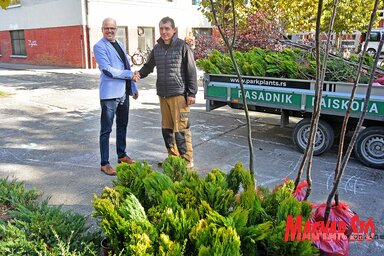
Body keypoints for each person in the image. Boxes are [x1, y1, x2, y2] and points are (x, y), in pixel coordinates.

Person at [136, 16, 197, 168]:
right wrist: (138, 74)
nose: (164, 32)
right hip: (163, 95)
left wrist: (192, 93)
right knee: (167, 130)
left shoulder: (183, 46)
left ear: (174, 30)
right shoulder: (157, 48)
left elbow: (191, 70)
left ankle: (187, 161)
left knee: (181, 130)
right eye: (162, 29)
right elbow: (148, 66)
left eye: (167, 29)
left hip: (179, 95)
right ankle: (173, 158)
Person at [93, 17, 139, 176]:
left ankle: (122, 155)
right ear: (102, 29)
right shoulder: (99, 46)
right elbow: (107, 69)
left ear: (116, 29)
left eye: (112, 28)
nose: (110, 31)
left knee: (122, 125)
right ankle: (104, 163)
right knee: (106, 129)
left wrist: (133, 87)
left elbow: (127, 66)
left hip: (124, 93)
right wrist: (130, 75)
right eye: (107, 28)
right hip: (110, 95)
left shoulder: (119, 44)